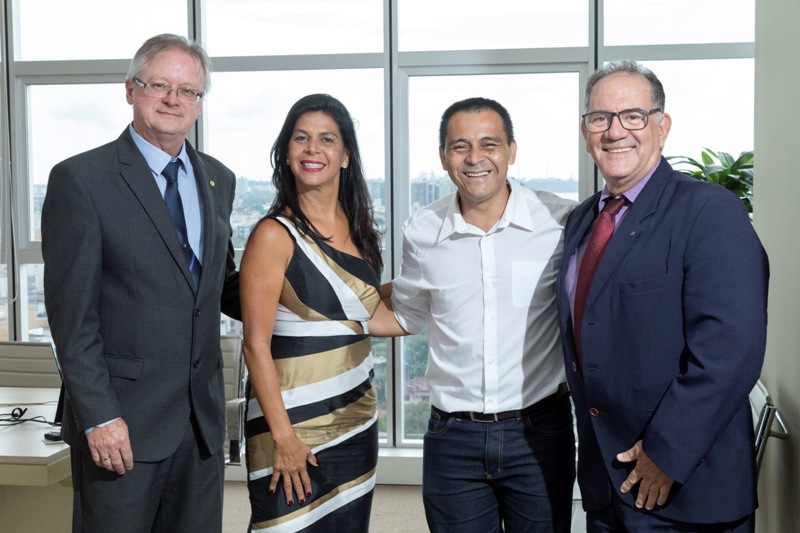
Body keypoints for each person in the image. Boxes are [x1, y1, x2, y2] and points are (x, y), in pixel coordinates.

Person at [557, 60, 769, 532]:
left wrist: (666, 454)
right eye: (600, 118)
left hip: (683, 487)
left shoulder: (709, 210)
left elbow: (731, 350)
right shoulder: (582, 221)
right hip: (606, 486)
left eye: (633, 116)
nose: (615, 131)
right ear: (586, 131)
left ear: (662, 126)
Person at [41, 34, 240, 532]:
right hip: (121, 427)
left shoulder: (219, 179)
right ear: (131, 89)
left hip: (200, 427)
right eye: (159, 85)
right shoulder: (82, 180)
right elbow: (72, 319)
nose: (174, 99)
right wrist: (99, 417)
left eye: (188, 90)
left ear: (199, 103)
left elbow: (219, 288)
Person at [370, 97, 577, 532]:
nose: (475, 158)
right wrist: (323, 316)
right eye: (460, 146)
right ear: (443, 156)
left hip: (540, 431)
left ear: (511, 151)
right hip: (453, 439)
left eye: (489, 144)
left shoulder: (559, 222)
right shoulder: (421, 231)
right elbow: (407, 314)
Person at [240, 93, 383, 532]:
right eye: (301, 138)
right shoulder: (273, 234)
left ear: (346, 155)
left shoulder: (360, 229)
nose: (312, 149)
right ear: (286, 152)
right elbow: (255, 345)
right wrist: (284, 438)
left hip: (355, 416)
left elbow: (363, 316)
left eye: (326, 139)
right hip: (290, 423)